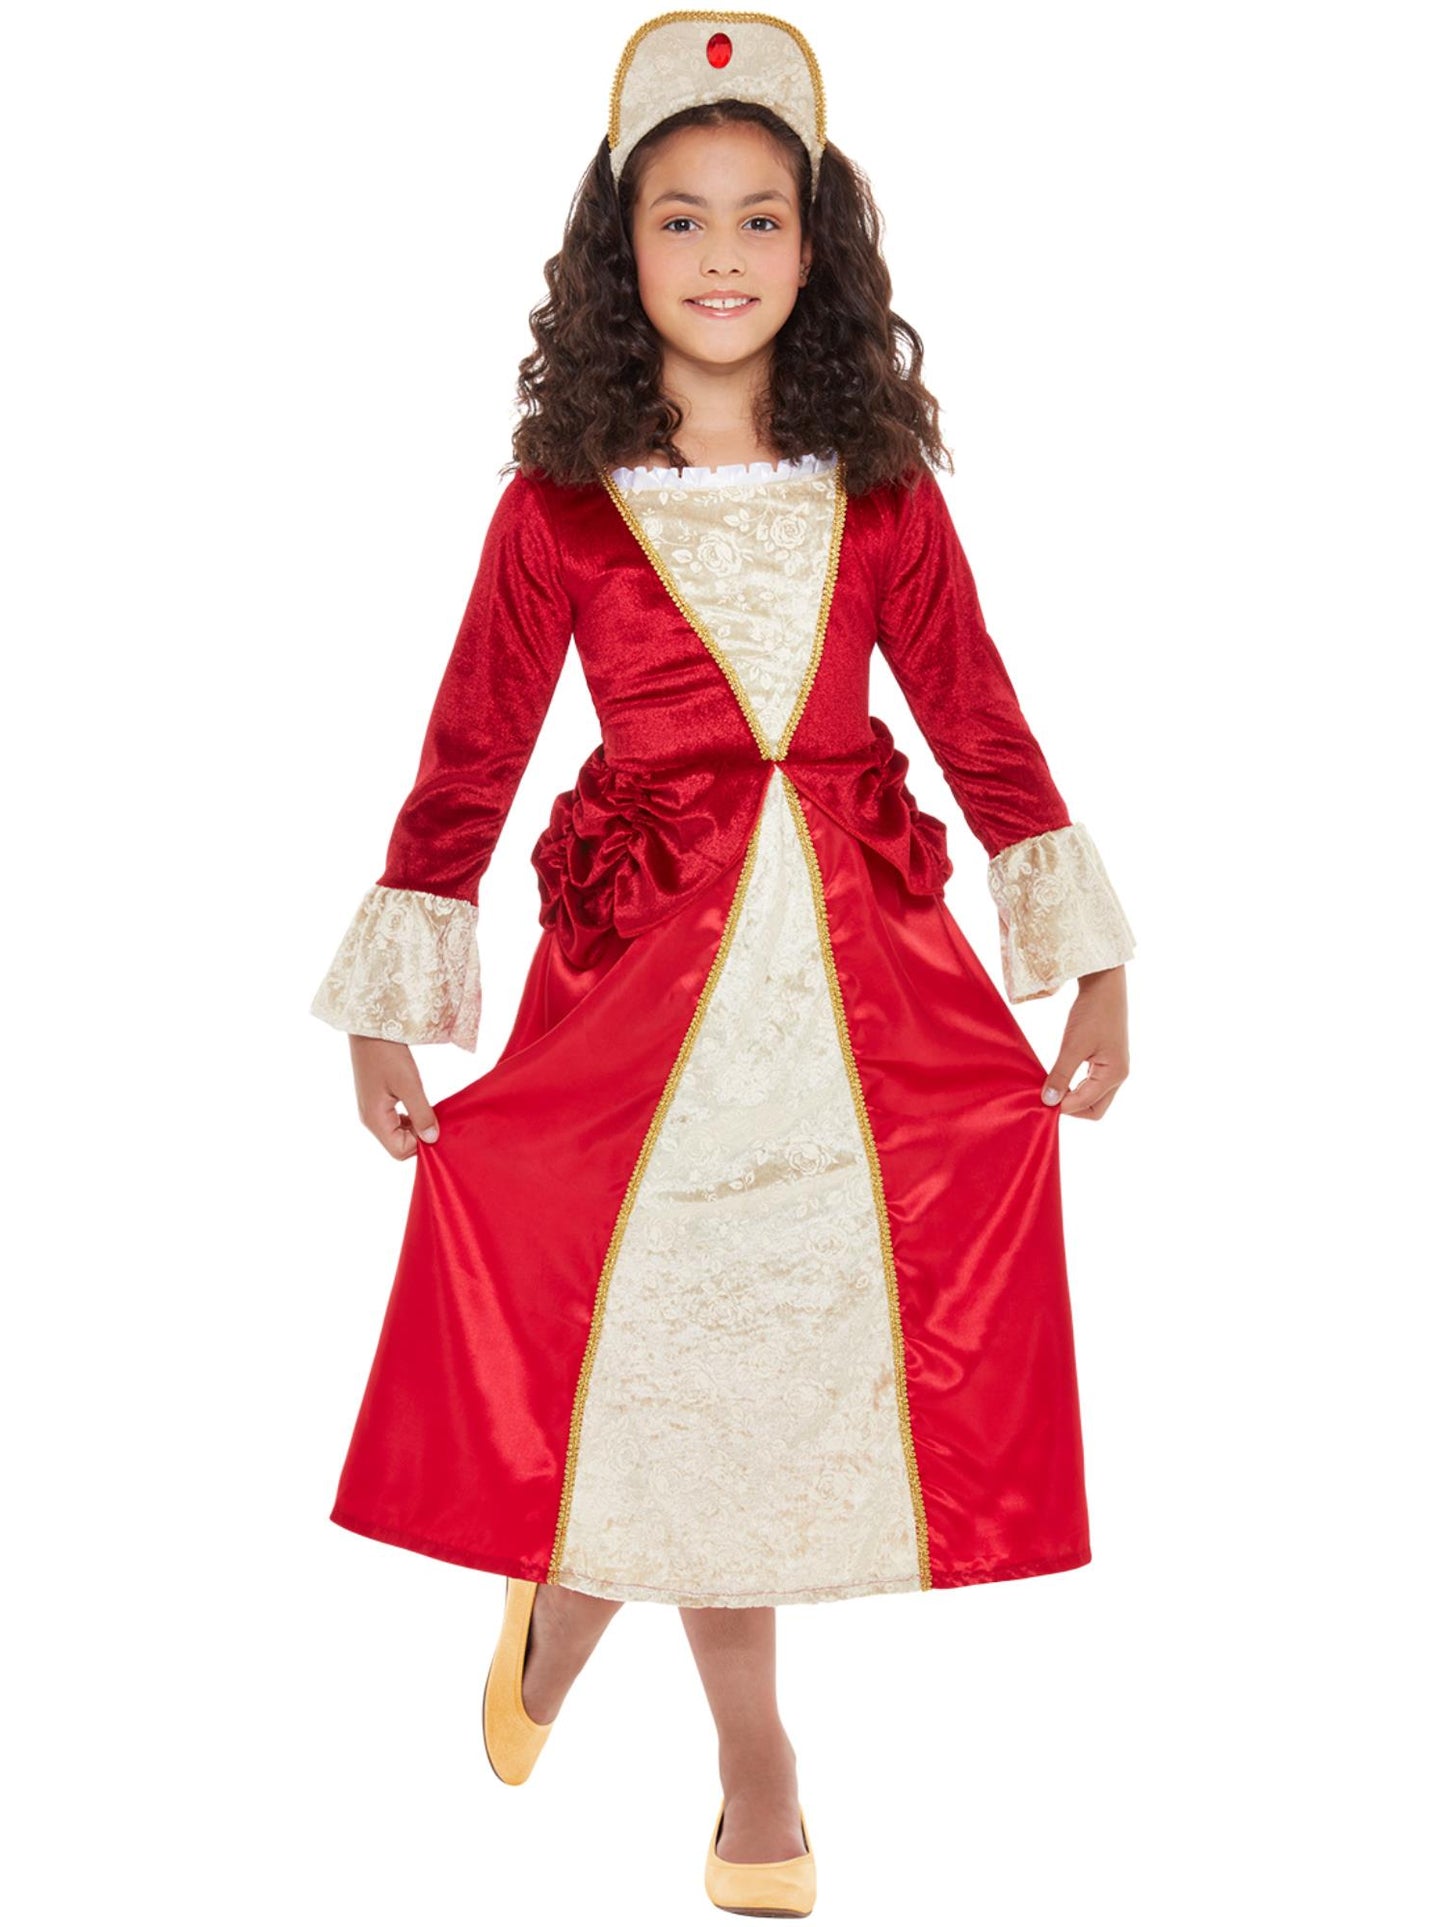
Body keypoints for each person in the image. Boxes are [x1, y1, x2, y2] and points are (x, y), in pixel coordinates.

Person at [310, 13, 1136, 1916]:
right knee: (660, 1332)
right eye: (677, 219)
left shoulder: (881, 490)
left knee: (776, 1358)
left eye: (760, 218)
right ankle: (728, 1732)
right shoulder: (558, 506)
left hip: (859, 987)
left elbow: (978, 720)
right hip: (640, 997)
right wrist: (387, 1006)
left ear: (814, 250)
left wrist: (1085, 961)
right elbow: (470, 749)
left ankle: (627, 1646)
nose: (720, 256)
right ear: (619, 253)